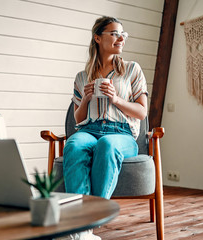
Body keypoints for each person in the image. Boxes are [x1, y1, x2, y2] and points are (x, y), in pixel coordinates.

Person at [61, 16, 148, 239]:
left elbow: (141, 112)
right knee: (73, 144)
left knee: (107, 145)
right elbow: (79, 119)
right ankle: (80, 228)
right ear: (98, 38)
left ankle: (87, 223)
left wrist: (117, 100)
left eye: (123, 34)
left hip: (121, 134)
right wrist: (86, 99)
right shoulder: (82, 77)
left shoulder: (132, 70)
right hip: (89, 130)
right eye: (115, 33)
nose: (121, 38)